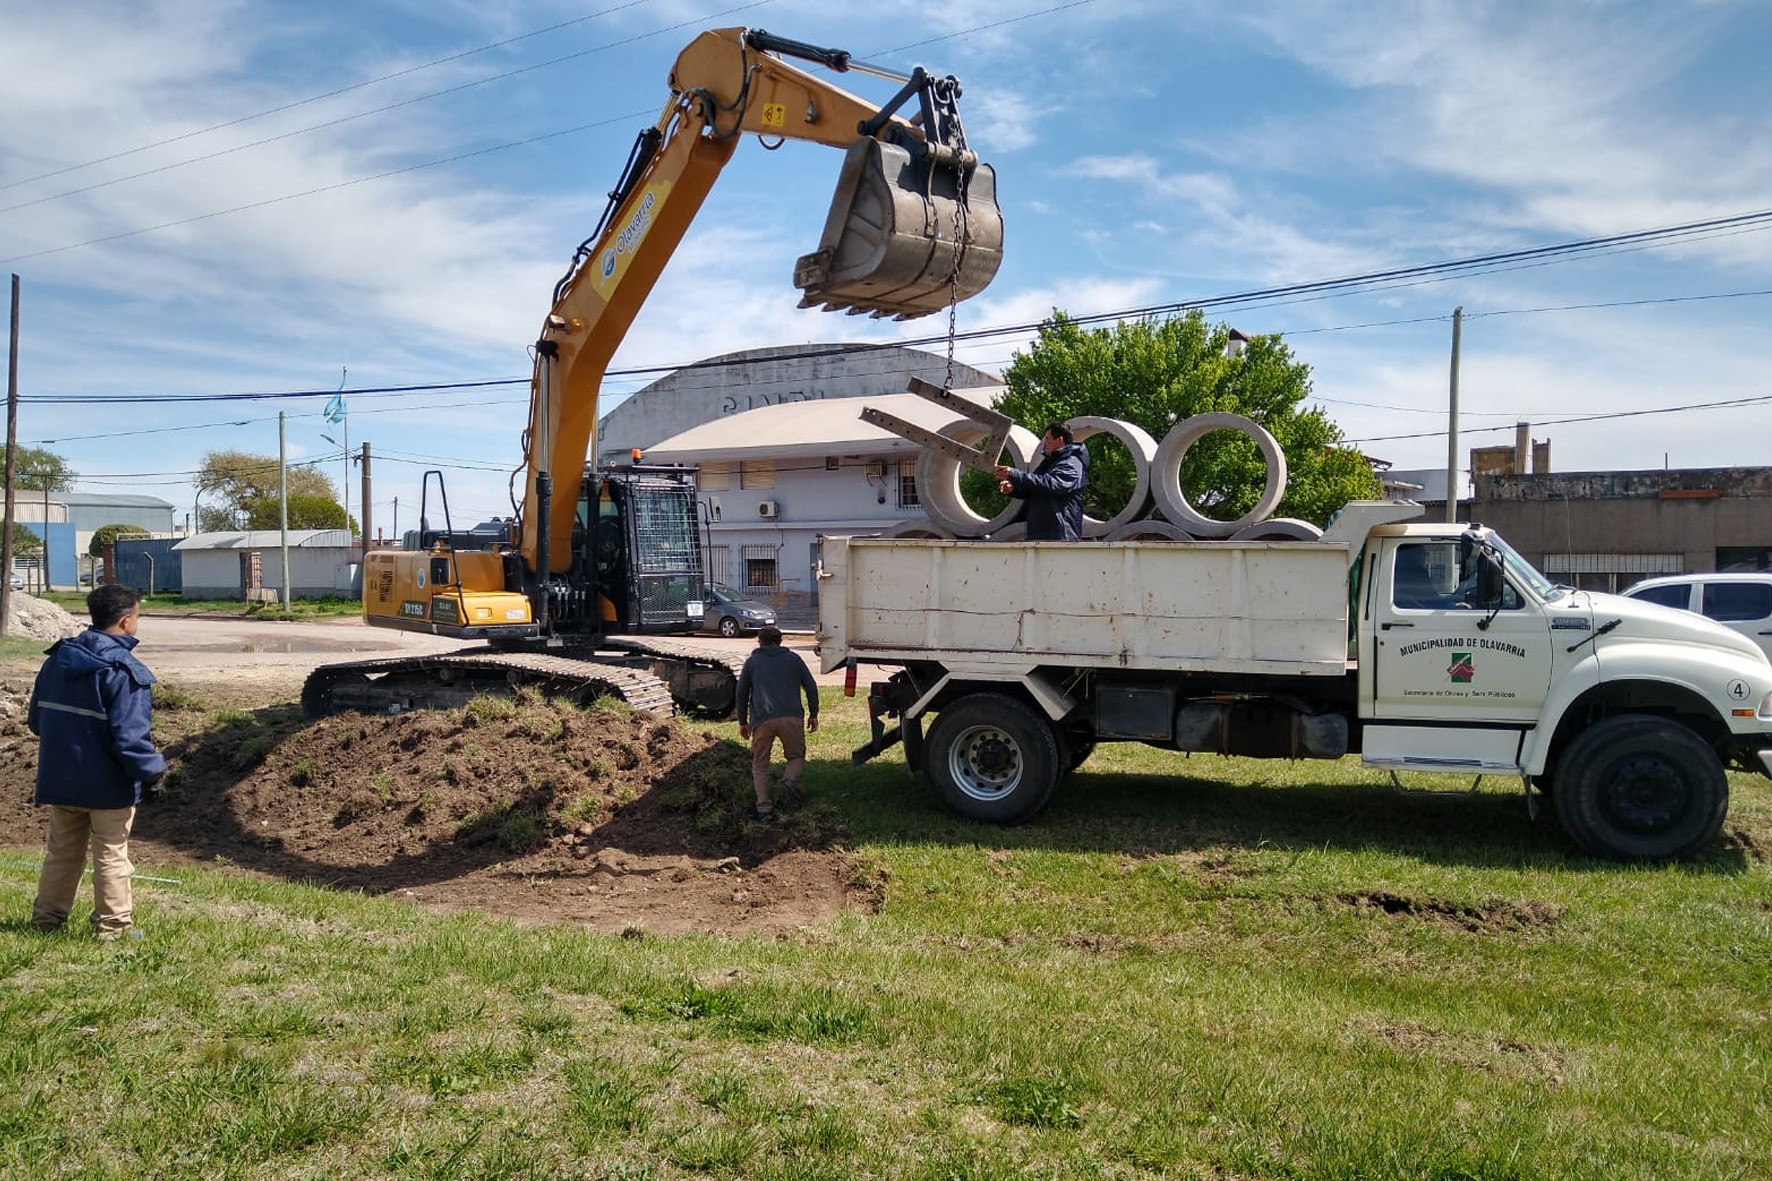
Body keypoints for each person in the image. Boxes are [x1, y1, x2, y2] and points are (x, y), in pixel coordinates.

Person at [28, 583, 166, 940]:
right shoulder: (124, 671)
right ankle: (114, 928)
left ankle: (46, 920)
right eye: (137, 615)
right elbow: (131, 740)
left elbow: (36, 722)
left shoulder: (57, 660)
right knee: (111, 855)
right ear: (124, 621)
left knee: (62, 852)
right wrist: (153, 774)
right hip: (107, 787)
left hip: (59, 779)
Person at [735, 625, 818, 823]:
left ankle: (764, 809)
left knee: (760, 765)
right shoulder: (793, 659)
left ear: (759, 641)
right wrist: (813, 713)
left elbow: (741, 693)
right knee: (796, 757)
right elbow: (811, 686)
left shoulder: (752, 662)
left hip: (762, 720)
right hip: (791, 717)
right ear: (781, 641)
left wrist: (742, 722)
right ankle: (788, 782)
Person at [995, 421, 1090, 540]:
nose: (1045, 443)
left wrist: (1015, 474)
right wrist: (1013, 489)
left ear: (1059, 440)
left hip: (1061, 536)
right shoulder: (1050, 462)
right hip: (1042, 534)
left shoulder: (1072, 463)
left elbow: (1053, 485)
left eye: (1048, 439)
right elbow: (1036, 487)